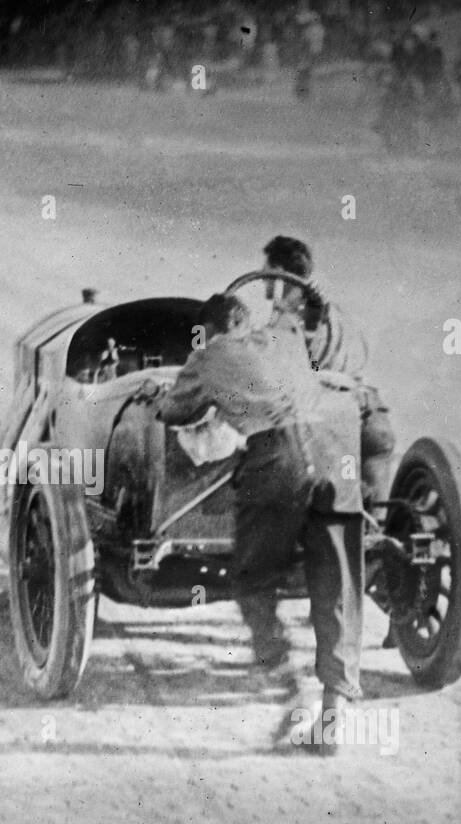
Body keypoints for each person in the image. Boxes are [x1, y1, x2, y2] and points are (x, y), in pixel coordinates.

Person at [156, 293, 363, 754]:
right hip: (333, 451)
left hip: (277, 459)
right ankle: (332, 717)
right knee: (335, 582)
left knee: (252, 580)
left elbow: (171, 412)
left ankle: (291, 692)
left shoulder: (208, 354)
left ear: (212, 328)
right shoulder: (285, 334)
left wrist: (214, 400)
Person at [261, 235, 395, 506]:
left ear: (277, 274)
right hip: (370, 414)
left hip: (324, 420)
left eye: (266, 274)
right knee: (375, 514)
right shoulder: (341, 315)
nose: (263, 281)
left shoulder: (289, 318)